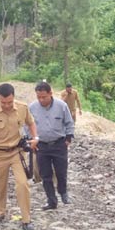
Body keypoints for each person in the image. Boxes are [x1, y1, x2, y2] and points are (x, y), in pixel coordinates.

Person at [0, 83, 39, 230]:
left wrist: (35, 138)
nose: (7, 105)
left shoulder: (22, 107)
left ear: (14, 97)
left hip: (17, 152)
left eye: (9, 102)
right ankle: (0, 211)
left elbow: (31, 122)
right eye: (3, 102)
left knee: (22, 184)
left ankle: (26, 219)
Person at [29, 82, 74, 210]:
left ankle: (63, 193)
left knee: (61, 171)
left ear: (50, 94)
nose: (41, 100)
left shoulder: (61, 106)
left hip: (59, 144)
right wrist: (30, 140)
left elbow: (69, 122)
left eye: (44, 97)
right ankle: (51, 200)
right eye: (39, 97)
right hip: (41, 145)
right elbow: (27, 125)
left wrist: (68, 138)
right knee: (45, 174)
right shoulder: (32, 107)